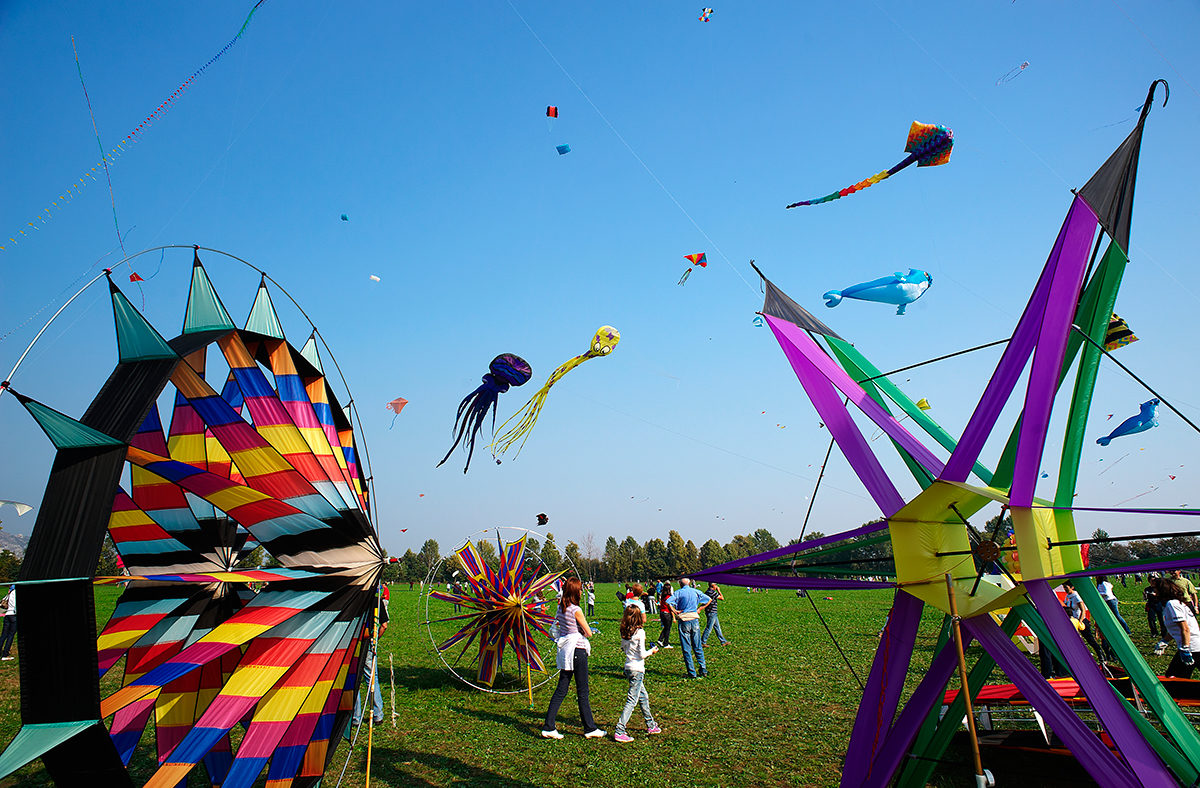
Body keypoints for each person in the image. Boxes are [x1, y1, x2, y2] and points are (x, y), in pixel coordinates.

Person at [542, 577, 604, 739]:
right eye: (580, 589)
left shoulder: (561, 608)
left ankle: (549, 726)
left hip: (565, 651)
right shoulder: (575, 610)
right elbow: (589, 632)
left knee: (562, 688)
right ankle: (590, 728)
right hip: (577, 650)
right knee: (583, 691)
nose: (582, 591)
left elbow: (561, 627)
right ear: (575, 591)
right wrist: (584, 631)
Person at [614, 605, 662, 743]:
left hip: (628, 668)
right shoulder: (640, 632)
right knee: (632, 700)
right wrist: (652, 652)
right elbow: (641, 654)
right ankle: (620, 730)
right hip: (637, 669)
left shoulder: (624, 631)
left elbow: (624, 648)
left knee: (643, 696)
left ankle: (650, 724)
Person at [346, 589, 389, 738]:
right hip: (369, 643)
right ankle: (377, 714)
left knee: (353, 680)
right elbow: (384, 625)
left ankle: (355, 717)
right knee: (371, 679)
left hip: (354, 643)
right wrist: (375, 639)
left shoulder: (354, 598)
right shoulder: (376, 601)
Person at [667, 578, 712, 678]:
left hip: (684, 620)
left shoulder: (678, 593)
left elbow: (668, 602)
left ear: (680, 583)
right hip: (694, 619)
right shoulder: (695, 591)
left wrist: (675, 611)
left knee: (686, 647)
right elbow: (709, 599)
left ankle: (692, 673)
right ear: (690, 583)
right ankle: (703, 668)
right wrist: (700, 608)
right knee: (697, 645)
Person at [1163, 582, 1200, 678]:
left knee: (1174, 677)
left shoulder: (1172, 604)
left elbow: (1185, 628)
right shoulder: (1177, 603)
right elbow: (1177, 629)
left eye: (1156, 589)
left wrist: (1185, 648)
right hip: (1195, 645)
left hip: (1192, 646)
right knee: (1178, 676)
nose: (1154, 593)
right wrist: (1164, 641)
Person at [701, 581, 730, 647]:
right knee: (709, 628)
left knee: (717, 627)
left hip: (710, 611)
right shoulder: (712, 593)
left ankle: (723, 641)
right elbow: (722, 598)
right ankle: (703, 642)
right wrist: (719, 591)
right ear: (713, 586)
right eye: (715, 585)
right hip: (712, 612)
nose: (716, 586)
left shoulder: (707, 592)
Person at [0, 585, 16, 661]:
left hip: (7, 615)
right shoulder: (16, 593)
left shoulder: (10, 593)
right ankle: (5, 654)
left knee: (3, 635)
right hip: (13, 615)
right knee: (11, 635)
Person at [656, 584, 674, 649]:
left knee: (666, 627)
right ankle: (666, 643)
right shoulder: (668, 597)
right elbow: (670, 607)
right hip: (667, 613)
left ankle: (660, 639)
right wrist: (674, 614)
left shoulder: (663, 596)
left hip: (662, 612)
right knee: (668, 629)